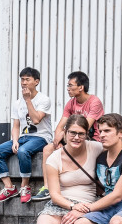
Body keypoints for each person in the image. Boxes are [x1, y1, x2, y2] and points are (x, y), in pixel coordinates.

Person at [33, 71, 105, 201]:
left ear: (81, 87)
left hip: (91, 139)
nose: (68, 89)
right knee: (48, 149)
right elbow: (60, 126)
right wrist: (58, 141)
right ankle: (47, 188)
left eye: (70, 85)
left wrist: (64, 137)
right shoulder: (71, 103)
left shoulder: (94, 102)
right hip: (72, 139)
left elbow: (84, 128)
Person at [0, 67, 53, 203]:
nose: (23, 83)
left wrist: (28, 100)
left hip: (41, 137)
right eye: (22, 80)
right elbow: (16, 125)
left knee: (23, 152)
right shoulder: (17, 103)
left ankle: (25, 186)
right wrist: (15, 141)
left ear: (36, 81)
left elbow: (36, 120)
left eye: (27, 80)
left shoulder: (44, 99)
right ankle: (9, 187)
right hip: (23, 137)